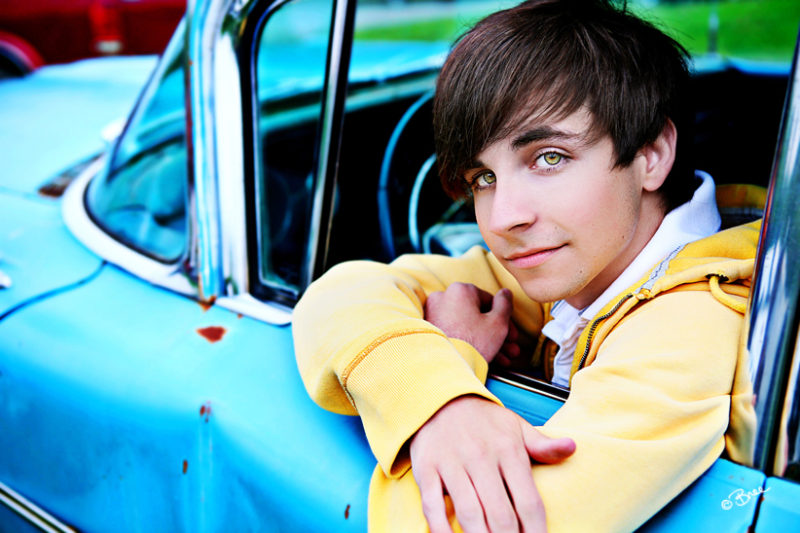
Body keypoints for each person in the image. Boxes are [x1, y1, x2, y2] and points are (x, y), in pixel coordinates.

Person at [293, 0, 760, 531]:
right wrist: (439, 400)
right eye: (483, 178)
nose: (503, 219)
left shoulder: (692, 328)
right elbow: (340, 294)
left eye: (549, 158)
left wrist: (459, 353)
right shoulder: (578, 263)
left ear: (650, 155)